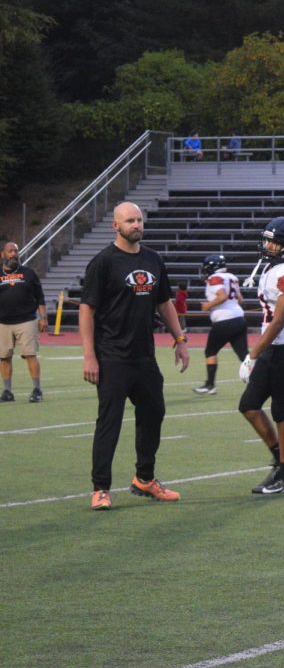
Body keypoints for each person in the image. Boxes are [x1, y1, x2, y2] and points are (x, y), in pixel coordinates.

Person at [80, 202, 190, 510]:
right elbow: (86, 309)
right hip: (112, 356)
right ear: (116, 225)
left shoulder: (153, 259)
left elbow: (164, 302)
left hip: (145, 357)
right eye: (130, 220)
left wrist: (179, 338)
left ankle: (144, 479)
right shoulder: (103, 262)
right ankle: (100, 488)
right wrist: (89, 355)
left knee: (154, 413)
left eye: (139, 220)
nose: (136, 225)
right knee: (109, 422)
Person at [236, 217, 284, 495]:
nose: (268, 245)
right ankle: (283, 461)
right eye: (267, 240)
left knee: (282, 411)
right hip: (273, 348)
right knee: (249, 405)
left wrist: (251, 355)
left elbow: (278, 322)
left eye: (274, 242)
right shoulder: (272, 267)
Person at [192, 254, 249, 395]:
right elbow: (240, 299)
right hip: (239, 318)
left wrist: (208, 306)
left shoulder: (214, 278)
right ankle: (260, 381)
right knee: (244, 355)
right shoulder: (232, 277)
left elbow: (222, 296)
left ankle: (210, 385)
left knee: (210, 351)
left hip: (224, 320)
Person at [0, 242, 47, 403]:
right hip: (3, 323)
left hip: (26, 320)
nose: (14, 254)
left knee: (30, 355)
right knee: (4, 357)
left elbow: (40, 297)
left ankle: (37, 390)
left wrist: (43, 317)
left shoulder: (29, 273)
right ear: (2, 254)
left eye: (16, 251)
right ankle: (7, 392)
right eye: (10, 251)